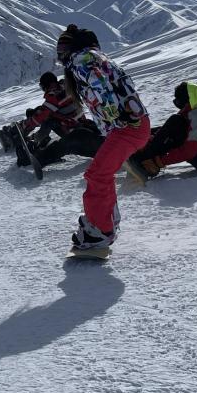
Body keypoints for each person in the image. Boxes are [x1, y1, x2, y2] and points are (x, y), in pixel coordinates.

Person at [56, 24, 151, 252]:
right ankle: (106, 220)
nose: (60, 60)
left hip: (127, 126)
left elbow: (101, 86)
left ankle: (100, 232)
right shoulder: (93, 57)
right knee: (102, 174)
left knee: (97, 175)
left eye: (60, 54)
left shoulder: (81, 61)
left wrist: (117, 115)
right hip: (133, 124)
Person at [125, 81, 197, 181]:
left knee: (175, 124)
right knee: (168, 127)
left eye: (179, 103)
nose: (179, 107)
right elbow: (167, 130)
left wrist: (159, 162)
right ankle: (137, 151)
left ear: (188, 100)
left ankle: (144, 165)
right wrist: (149, 139)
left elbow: (189, 150)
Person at [15, 72, 100, 169]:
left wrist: (23, 126)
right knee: (43, 113)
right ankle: (38, 139)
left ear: (46, 85)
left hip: (76, 132)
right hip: (82, 125)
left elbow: (39, 116)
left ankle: (38, 153)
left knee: (52, 125)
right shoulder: (66, 88)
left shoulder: (54, 96)